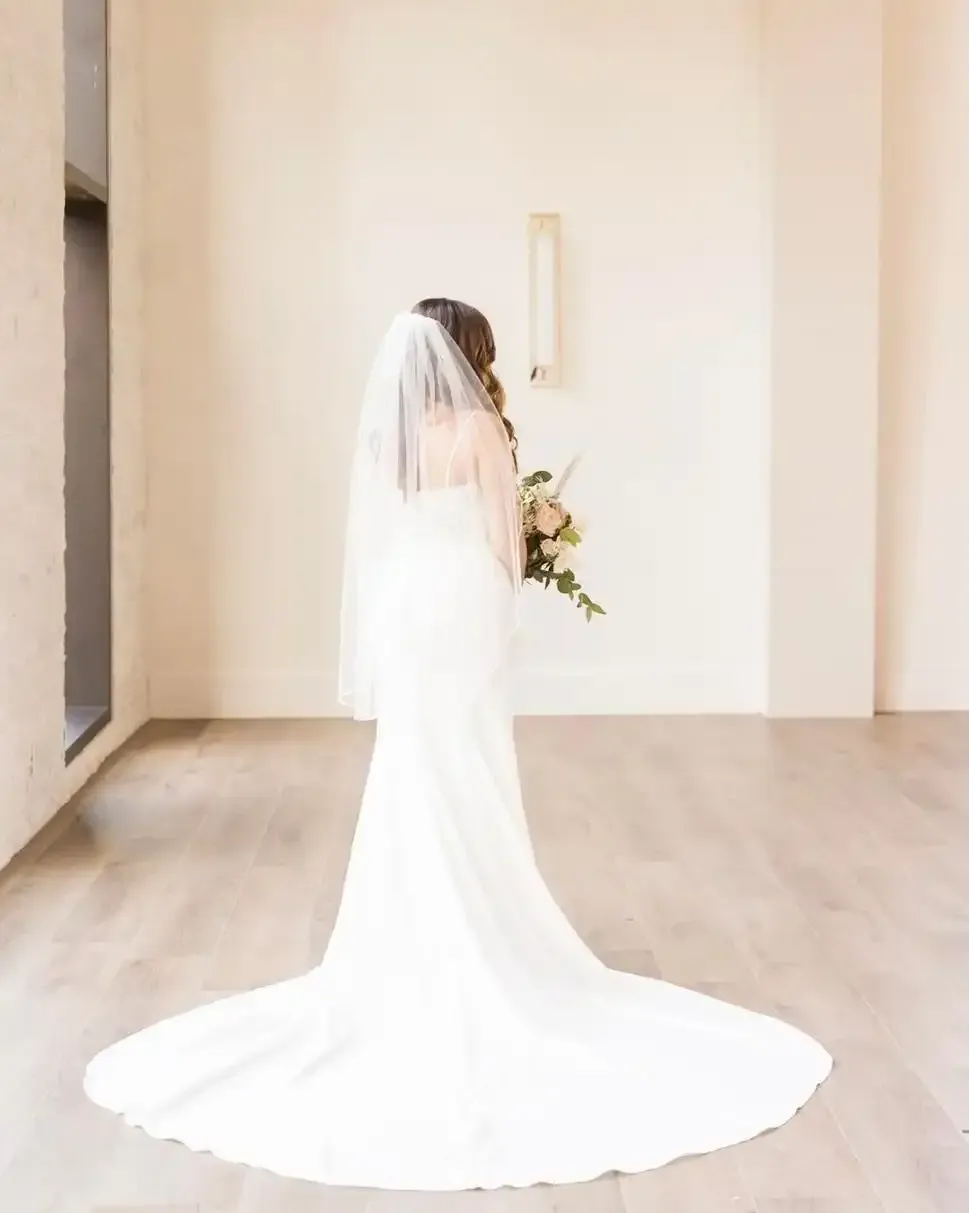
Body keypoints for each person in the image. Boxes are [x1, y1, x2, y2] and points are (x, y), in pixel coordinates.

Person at [84, 300, 832, 1191]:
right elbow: (502, 547)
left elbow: (381, 542)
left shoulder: (384, 440)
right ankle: (481, 934)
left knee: (414, 766)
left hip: (404, 608)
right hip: (460, 603)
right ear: (470, 352)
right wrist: (537, 542)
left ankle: (406, 937)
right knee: (468, 760)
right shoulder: (480, 426)